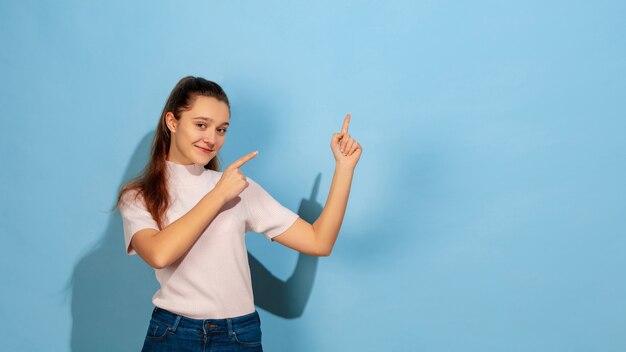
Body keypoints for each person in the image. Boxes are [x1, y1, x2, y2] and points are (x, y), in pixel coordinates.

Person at [117, 76, 362, 351]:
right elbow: (159, 254)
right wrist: (219, 195)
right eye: (201, 125)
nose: (211, 139)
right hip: (173, 334)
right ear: (172, 122)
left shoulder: (241, 189)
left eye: (221, 129)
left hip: (237, 336)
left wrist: (344, 168)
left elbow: (319, 241)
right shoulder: (139, 196)